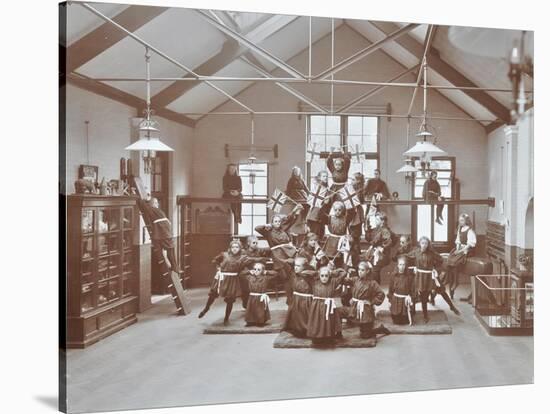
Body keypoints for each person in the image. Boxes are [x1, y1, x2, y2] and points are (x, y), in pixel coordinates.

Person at [198, 240, 255, 325]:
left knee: (230, 299)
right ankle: (206, 308)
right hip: (222, 278)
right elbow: (215, 261)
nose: (234, 249)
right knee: (213, 294)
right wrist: (218, 267)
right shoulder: (224, 255)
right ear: (230, 248)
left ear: (240, 248)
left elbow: (251, 261)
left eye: (237, 247)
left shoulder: (242, 257)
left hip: (232, 280)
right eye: (233, 247)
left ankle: (226, 318)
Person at [255, 205, 303, 303]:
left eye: (279, 221)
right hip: (278, 256)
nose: (277, 223)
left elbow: (290, 220)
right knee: (285, 278)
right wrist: (266, 225)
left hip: (289, 252)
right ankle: (290, 299)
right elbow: (257, 228)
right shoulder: (268, 231)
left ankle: (294, 297)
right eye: (275, 221)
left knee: (294, 275)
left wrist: (296, 211)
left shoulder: (283, 229)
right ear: (272, 222)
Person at [343, 261, 389, 339]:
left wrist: (371, 302)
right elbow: (343, 280)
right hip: (355, 308)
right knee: (342, 313)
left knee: (365, 335)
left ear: (367, 271)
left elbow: (381, 294)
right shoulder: (355, 280)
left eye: (362, 270)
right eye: (359, 270)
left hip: (366, 311)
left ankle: (380, 329)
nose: (360, 272)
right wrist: (340, 270)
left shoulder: (372, 283)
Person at [307, 265, 349, 345]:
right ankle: (317, 337)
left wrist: (332, 272)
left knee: (328, 322)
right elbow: (303, 273)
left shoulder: (333, 282)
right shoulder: (314, 282)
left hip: (328, 306)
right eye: (322, 276)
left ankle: (328, 337)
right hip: (317, 306)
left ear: (329, 276)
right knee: (317, 322)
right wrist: (316, 272)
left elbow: (343, 273)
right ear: (319, 276)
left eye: (326, 276)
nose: (324, 278)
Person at [406, 236, 443, 323]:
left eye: (426, 243)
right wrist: (413, 267)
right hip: (419, 276)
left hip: (428, 277)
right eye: (422, 243)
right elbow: (407, 256)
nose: (424, 245)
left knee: (424, 297)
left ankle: (425, 315)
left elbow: (440, 259)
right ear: (420, 243)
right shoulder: (416, 251)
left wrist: (434, 268)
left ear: (428, 244)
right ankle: (413, 311)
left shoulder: (431, 253)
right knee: (415, 294)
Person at [141, 197, 182, 274]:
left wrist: (146, 200)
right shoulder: (152, 209)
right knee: (171, 251)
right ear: (152, 204)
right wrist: (145, 200)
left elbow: (144, 204)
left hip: (163, 234)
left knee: (171, 251)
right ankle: (175, 268)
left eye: (157, 202)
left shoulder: (155, 210)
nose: (158, 204)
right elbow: (143, 204)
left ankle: (175, 267)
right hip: (164, 234)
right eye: (156, 203)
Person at [283, 257, 317, 338]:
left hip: (305, 301)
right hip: (296, 299)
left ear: (304, 267)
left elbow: (315, 274)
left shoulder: (309, 276)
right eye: (295, 265)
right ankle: (297, 330)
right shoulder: (294, 274)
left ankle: (307, 330)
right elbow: (288, 263)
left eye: (298, 266)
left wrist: (305, 272)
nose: (296, 267)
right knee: (296, 316)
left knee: (305, 316)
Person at [448, 213, 477, 301]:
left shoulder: (470, 231)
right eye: (459, 220)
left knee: (456, 260)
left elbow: (470, 244)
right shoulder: (460, 229)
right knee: (451, 258)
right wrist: (457, 250)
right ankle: (453, 280)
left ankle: (456, 282)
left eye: (462, 220)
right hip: (460, 248)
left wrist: (460, 251)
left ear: (466, 221)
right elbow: (458, 241)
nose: (460, 222)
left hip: (467, 250)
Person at [244, 262, 279, 327]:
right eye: (255, 269)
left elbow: (276, 274)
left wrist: (267, 272)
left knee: (260, 310)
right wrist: (249, 271)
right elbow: (241, 274)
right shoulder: (250, 277)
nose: (256, 271)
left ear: (262, 270)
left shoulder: (265, 278)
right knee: (250, 309)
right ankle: (250, 321)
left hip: (260, 296)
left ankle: (260, 321)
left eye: (258, 269)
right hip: (252, 296)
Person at [362, 212, 394, 284]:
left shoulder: (385, 230)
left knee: (374, 268)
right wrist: (367, 229)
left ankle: (375, 286)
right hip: (375, 252)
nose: (375, 221)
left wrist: (381, 248)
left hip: (383, 255)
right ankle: (371, 284)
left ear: (382, 221)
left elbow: (389, 242)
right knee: (366, 262)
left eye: (377, 219)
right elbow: (369, 238)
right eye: (375, 219)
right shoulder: (376, 229)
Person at [240, 235, 271, 309]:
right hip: (247, 274)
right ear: (248, 243)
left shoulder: (258, 250)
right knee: (246, 292)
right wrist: (260, 259)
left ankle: (254, 308)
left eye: (257, 243)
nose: (256, 244)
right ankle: (247, 307)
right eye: (254, 243)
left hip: (257, 275)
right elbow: (246, 260)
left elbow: (268, 249)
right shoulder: (244, 252)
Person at [388, 256, 415, 325]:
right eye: (400, 264)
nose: (402, 267)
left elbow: (412, 290)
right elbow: (390, 289)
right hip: (396, 299)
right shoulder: (393, 276)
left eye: (403, 265)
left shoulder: (409, 276)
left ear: (405, 266)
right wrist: (390, 301)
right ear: (397, 265)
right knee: (396, 321)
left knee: (404, 321)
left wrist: (410, 298)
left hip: (405, 300)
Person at [323, 201, 351, 268]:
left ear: (342, 210)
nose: (337, 211)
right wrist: (325, 204)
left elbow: (351, 213)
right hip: (332, 241)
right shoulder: (330, 218)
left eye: (339, 210)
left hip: (341, 240)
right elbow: (321, 214)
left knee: (340, 258)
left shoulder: (345, 219)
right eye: (335, 210)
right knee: (330, 257)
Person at [347, 172, 366, 267]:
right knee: (353, 241)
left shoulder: (359, 192)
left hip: (356, 217)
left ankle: (356, 263)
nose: (351, 181)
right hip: (353, 217)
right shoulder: (354, 190)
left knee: (355, 241)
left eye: (353, 179)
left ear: (358, 181)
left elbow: (353, 202)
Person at [306, 170, 332, 237]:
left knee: (320, 234)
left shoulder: (327, 189)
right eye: (323, 176)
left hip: (321, 216)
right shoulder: (316, 187)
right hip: (314, 215)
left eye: (326, 176)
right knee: (314, 236)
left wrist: (327, 203)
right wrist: (325, 203)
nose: (325, 178)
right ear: (319, 177)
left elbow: (328, 205)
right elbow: (312, 201)